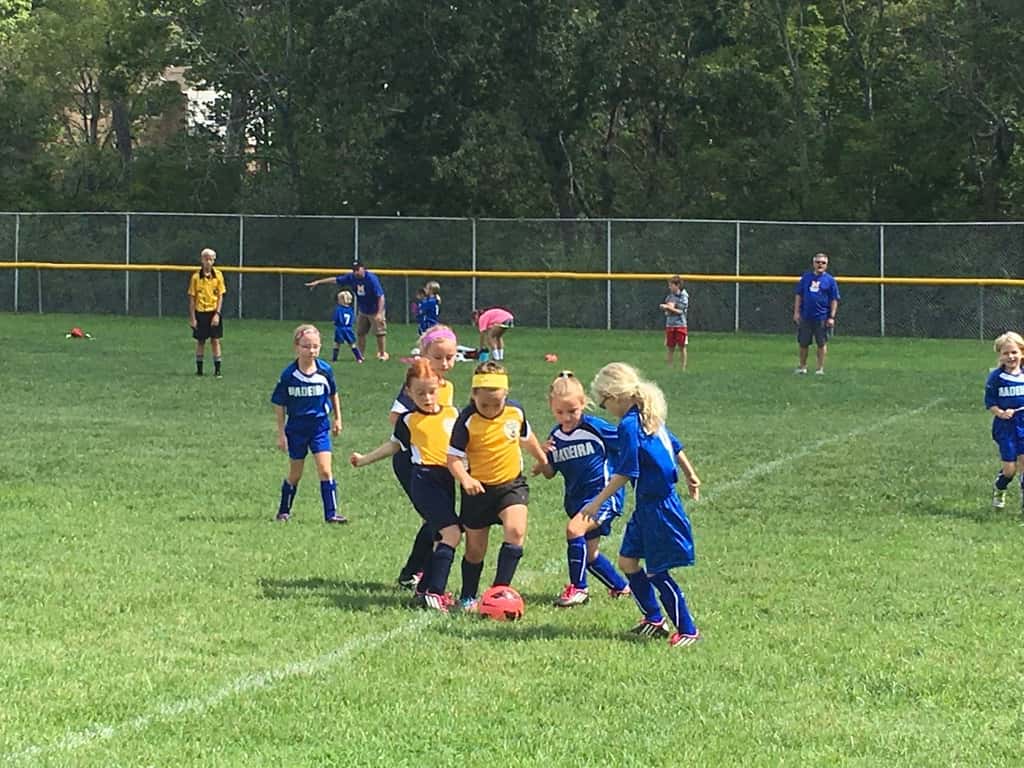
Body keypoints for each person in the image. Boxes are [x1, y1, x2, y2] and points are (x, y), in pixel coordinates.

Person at [580, 362, 703, 648]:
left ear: (615, 396)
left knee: (656, 571)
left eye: (603, 402)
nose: (605, 408)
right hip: (647, 507)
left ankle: (687, 629)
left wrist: (597, 502)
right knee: (627, 562)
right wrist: (691, 475)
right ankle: (653, 619)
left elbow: (626, 471)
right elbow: (676, 446)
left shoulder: (631, 424)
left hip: (660, 508)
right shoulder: (648, 414)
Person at [350, 358, 462, 612]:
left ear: (440, 387)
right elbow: (393, 445)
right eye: (419, 393)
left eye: (431, 391)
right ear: (409, 392)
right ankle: (436, 592)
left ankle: (424, 590)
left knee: (439, 536)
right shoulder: (408, 420)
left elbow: (462, 447)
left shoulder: (452, 414)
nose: (427, 397)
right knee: (451, 533)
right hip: (424, 480)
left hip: (446, 480)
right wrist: (364, 459)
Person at [447, 361, 548, 610]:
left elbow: (526, 436)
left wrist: (543, 459)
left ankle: (498, 593)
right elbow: (452, 458)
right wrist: (466, 479)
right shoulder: (467, 420)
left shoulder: (516, 412)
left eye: (497, 403)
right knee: (475, 551)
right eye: (484, 405)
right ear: (473, 395)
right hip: (478, 491)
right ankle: (468, 595)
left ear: (507, 394)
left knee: (515, 532)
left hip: (511, 485)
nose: (491, 409)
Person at [533, 371, 631, 607]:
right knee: (589, 554)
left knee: (574, 530)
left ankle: (579, 589)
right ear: (551, 407)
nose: (566, 417)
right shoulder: (555, 436)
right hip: (576, 500)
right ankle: (621, 587)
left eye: (572, 411)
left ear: (583, 404)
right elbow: (549, 473)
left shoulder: (596, 428)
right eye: (560, 412)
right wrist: (542, 455)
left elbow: (628, 442)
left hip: (604, 497)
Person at [390, 325, 459, 591]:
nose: (444, 363)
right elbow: (396, 418)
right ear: (423, 355)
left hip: (440, 463)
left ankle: (414, 573)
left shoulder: (447, 387)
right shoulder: (418, 383)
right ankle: (420, 577)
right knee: (439, 521)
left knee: (437, 520)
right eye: (438, 357)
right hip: (412, 461)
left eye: (450, 357)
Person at [270, 324, 347, 524]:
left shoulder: (324, 370)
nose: (311, 351)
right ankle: (284, 510)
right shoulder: (289, 375)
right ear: (297, 347)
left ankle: (331, 514)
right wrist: (281, 433)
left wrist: (337, 418)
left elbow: (333, 394)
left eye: (315, 346)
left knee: (325, 470)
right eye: (306, 346)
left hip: (319, 427)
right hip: (296, 429)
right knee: (295, 474)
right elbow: (279, 404)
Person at [306, 258, 389, 361]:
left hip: (375, 309)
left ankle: (382, 354)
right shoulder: (351, 277)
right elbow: (335, 280)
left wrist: (379, 313)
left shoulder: (371, 279)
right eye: (354, 270)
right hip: (363, 309)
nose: (356, 272)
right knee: (360, 333)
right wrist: (318, 282)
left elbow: (380, 296)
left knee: (379, 332)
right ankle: (361, 355)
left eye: (357, 269)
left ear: (363, 268)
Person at [985, 331, 1024, 510]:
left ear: (1021, 353)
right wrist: (1001, 413)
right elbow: (990, 402)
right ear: (1000, 355)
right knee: (1010, 469)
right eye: (1006, 353)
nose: (1010, 356)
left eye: (1014, 352)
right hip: (1005, 427)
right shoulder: (996, 377)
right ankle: (1000, 488)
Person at [793, 252, 840, 375]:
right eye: (818, 262)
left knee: (821, 343)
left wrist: (831, 317)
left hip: (822, 317)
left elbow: (834, 299)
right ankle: (802, 367)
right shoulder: (806, 278)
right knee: (803, 343)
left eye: (823, 263)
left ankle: (820, 368)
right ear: (813, 263)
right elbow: (799, 295)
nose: (820, 265)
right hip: (806, 316)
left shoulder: (830, 280)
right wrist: (797, 312)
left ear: (826, 265)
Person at [187, 247, 227, 377]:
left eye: (211, 259)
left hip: (213, 312)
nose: (208, 262)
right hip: (200, 312)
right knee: (200, 341)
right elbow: (192, 299)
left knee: (215, 340)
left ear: (214, 261)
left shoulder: (218, 276)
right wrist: (193, 318)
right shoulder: (195, 277)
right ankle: (199, 369)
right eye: (206, 259)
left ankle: (217, 370)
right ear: (202, 260)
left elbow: (220, 296)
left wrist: (217, 314)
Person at [659, 275, 689, 370]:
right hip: (670, 325)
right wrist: (667, 309)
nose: (669, 287)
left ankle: (682, 368)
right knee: (670, 347)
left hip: (680, 325)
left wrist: (669, 307)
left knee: (682, 347)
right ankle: (670, 367)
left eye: (671, 285)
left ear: (677, 285)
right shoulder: (669, 297)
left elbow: (681, 311)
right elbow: (668, 311)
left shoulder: (683, 297)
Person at [332, 290, 363, 363]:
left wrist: (335, 322)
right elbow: (353, 319)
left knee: (337, 344)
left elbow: (336, 319)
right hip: (348, 329)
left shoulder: (339, 309)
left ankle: (334, 359)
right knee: (352, 344)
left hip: (340, 328)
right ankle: (359, 358)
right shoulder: (350, 310)